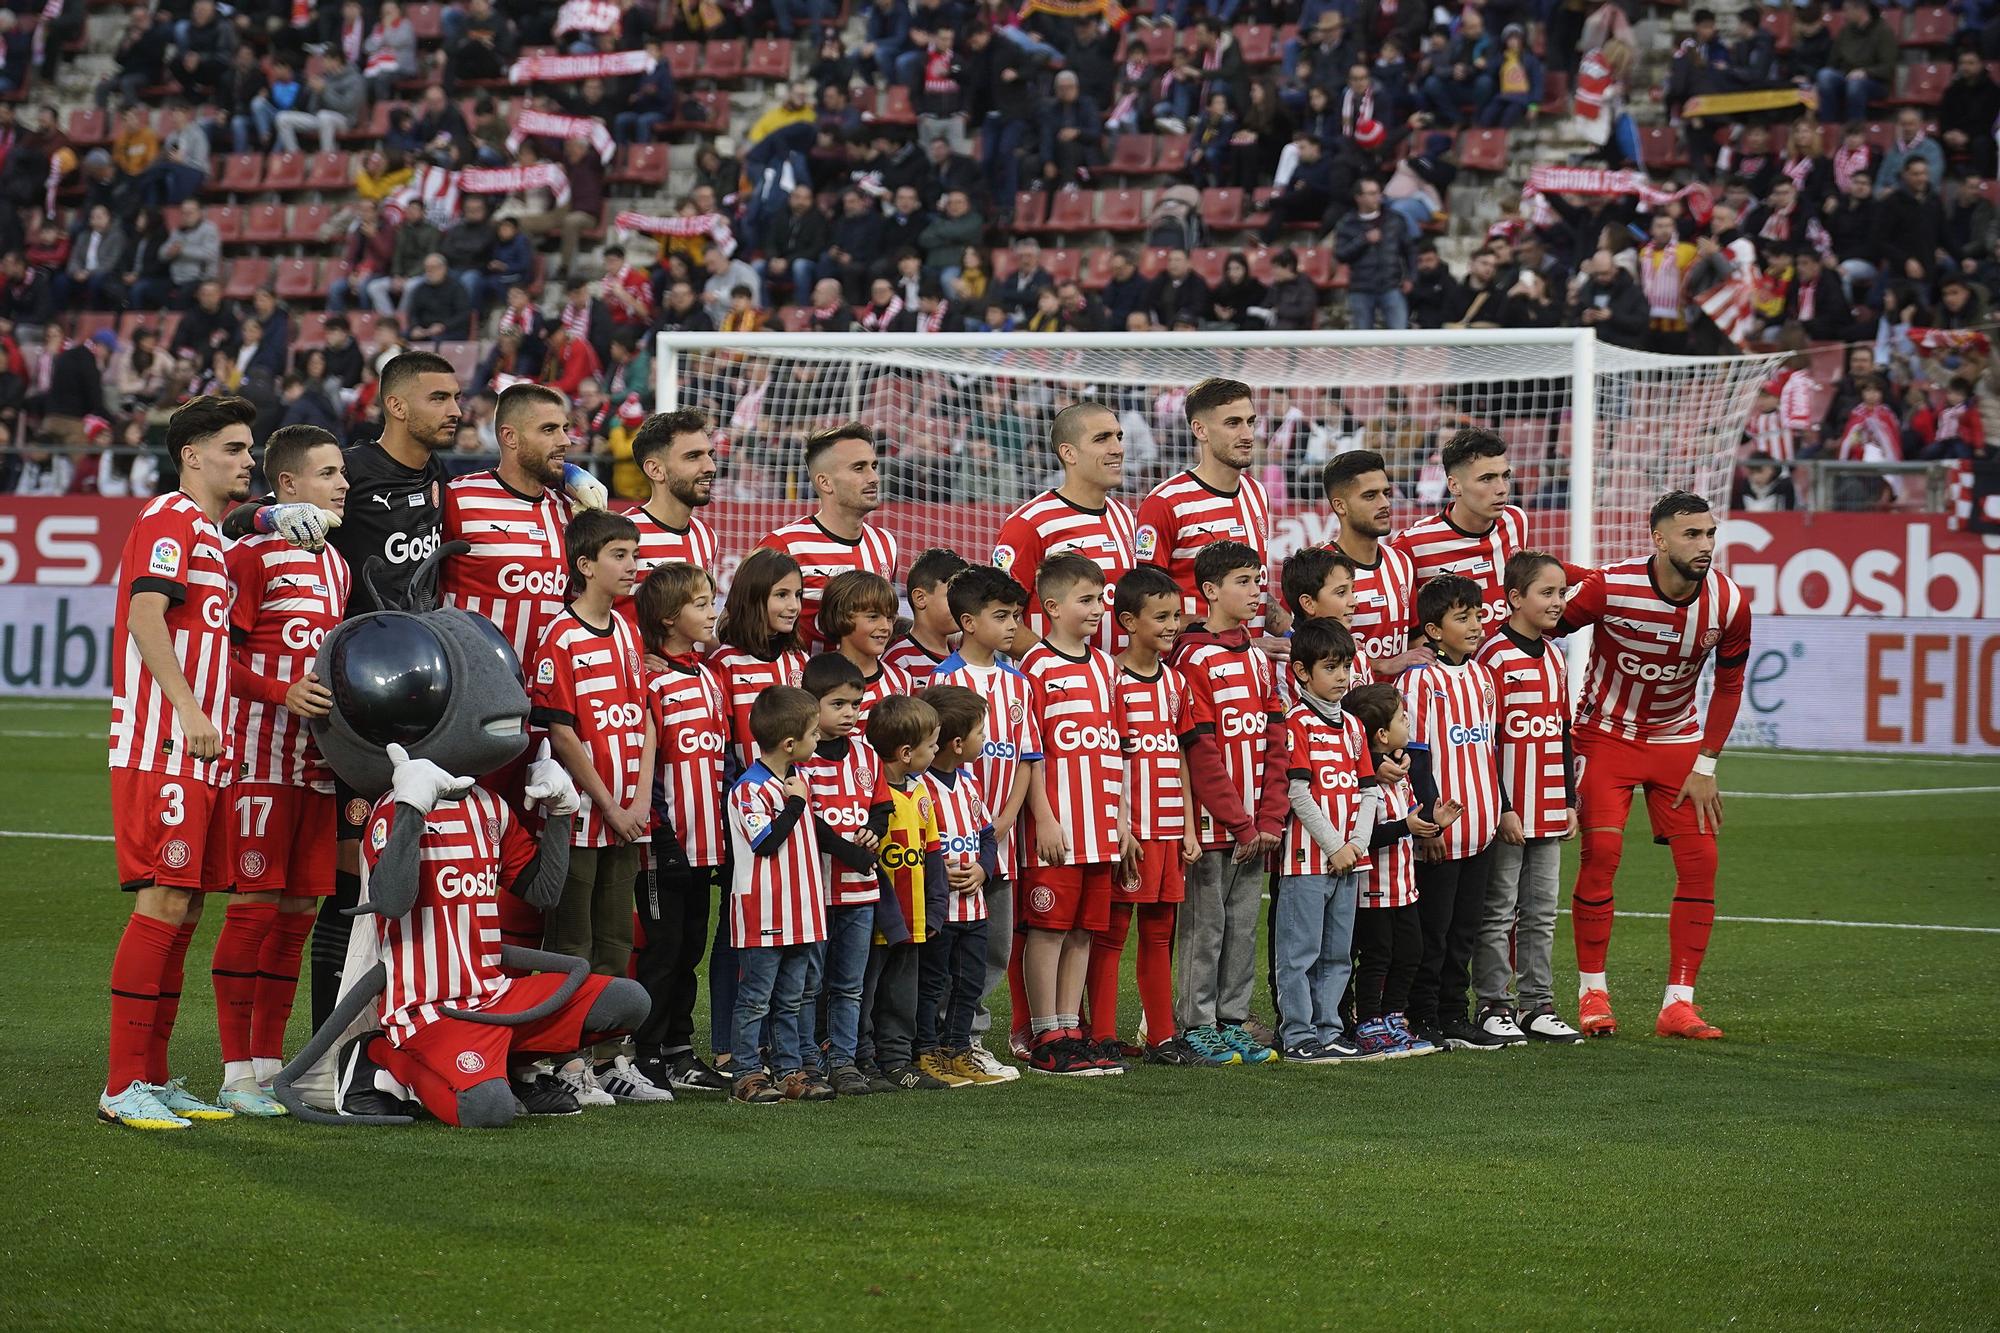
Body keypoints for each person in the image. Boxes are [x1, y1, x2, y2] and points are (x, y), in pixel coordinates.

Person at [99, 395, 257, 1131]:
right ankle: (121, 1082)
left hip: (200, 749)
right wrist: (190, 709)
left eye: (250, 448)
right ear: (193, 455)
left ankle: (154, 1077)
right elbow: (143, 614)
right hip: (165, 740)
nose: (248, 460)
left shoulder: (211, 536)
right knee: (163, 899)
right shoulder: (167, 518)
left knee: (187, 905)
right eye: (234, 447)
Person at [1560, 491, 1752, 1041]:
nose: (1705, 545)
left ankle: (1678, 1003)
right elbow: (1544, 628)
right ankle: (1592, 993)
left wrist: (1707, 763)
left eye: (1710, 533)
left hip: (1678, 744)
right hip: (1605, 738)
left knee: (1702, 864)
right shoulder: (1610, 587)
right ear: (1659, 539)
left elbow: (1731, 684)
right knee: (1602, 857)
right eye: (1692, 534)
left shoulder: (1730, 603)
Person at [206, 427, 350, 1118]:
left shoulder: (337, 566)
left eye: (342, 471)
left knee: (295, 920)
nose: (343, 483)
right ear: (287, 486)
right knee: (252, 913)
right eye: (328, 473)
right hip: (258, 761)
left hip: (315, 768)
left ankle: (268, 1065)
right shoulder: (249, 555)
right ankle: (235, 1072)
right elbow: (216, 661)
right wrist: (279, 693)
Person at [529, 508, 660, 1105]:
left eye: (633, 555)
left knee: (615, 942)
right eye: (620, 556)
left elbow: (645, 722)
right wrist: (607, 803)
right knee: (571, 944)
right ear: (584, 565)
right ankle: (564, 1059)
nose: (632, 566)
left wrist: (635, 801)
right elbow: (562, 733)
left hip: (626, 820)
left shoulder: (629, 633)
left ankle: (610, 1059)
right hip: (580, 819)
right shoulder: (560, 636)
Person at [1169, 540, 1289, 1066]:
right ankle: (1196, 1025)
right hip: (1214, 826)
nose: (1255, 590)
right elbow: (1199, 750)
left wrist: (1268, 818)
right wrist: (1240, 823)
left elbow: (1277, 740)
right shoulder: (1192, 657)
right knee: (1204, 926)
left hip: (1253, 827)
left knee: (1242, 927)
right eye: (1243, 581)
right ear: (1210, 590)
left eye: (1257, 579)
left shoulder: (1260, 659)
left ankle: (1232, 1019)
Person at [1015, 553, 1132, 1076]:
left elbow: (1116, 750)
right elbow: (1031, 750)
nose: (1097, 609)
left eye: (1101, 599)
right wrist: (1043, 816)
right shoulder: (1035, 667)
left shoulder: (1108, 667)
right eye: (1086, 600)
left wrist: (1124, 820)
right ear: (1052, 606)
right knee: (1048, 931)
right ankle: (1043, 1034)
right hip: (1059, 830)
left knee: (1084, 931)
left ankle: (1069, 1026)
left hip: (1102, 828)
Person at [1090, 566, 1202, 1065]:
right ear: (1129, 621)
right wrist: (1119, 824)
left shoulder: (1175, 682)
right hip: (1129, 831)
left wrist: (1191, 824)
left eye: (1177, 615)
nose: (1172, 625)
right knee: (1111, 935)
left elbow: (1178, 754)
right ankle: (1102, 1033)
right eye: (1161, 617)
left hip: (1169, 828)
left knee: (1160, 934)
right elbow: (1107, 758)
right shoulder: (1109, 679)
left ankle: (1160, 1035)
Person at [930, 567, 1038, 1079]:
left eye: (1017, 615)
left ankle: (969, 1036)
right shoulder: (943, 681)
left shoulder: (1018, 684)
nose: (1014, 625)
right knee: (946, 944)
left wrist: (1007, 819)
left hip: (999, 838)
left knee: (993, 944)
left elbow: (1026, 758)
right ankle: (939, 1038)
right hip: (952, 841)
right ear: (969, 622)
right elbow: (932, 765)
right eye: (1002, 616)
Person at [1471, 552, 1583, 1044]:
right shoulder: (1493, 656)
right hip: (1511, 812)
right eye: (1547, 593)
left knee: (1541, 912)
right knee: (1498, 911)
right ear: (1515, 598)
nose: (1558, 602)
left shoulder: (1556, 657)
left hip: (1550, 806)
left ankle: (1539, 1005)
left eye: (1561, 593)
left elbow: (1561, 733)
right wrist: (1502, 806)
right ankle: (1494, 1003)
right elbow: (1484, 738)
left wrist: (1571, 800)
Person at [630, 561, 732, 1096]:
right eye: (700, 603)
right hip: (663, 848)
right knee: (662, 952)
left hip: (706, 844)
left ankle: (677, 1050)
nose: (712, 610)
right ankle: (643, 1054)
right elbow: (643, 765)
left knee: (690, 947)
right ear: (670, 618)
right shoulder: (650, 680)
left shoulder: (709, 677)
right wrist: (660, 833)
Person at [1397, 573, 1507, 1053]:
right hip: (1442, 832)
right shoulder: (1419, 681)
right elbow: (1416, 755)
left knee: (1465, 931)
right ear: (1435, 630)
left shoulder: (1483, 676)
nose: (1476, 625)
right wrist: (1427, 821)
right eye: (1462, 618)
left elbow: (1488, 749)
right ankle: (1421, 1015)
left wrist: (1501, 807)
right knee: (1432, 932)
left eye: (1478, 615)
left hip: (1481, 827)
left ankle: (1453, 1014)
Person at [1272, 618, 1378, 1063]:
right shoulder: (1294, 723)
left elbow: (1368, 790)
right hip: (1306, 861)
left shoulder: (1354, 726)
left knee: (1337, 954)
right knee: (1300, 953)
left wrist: (1355, 844)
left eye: (1346, 667)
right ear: (1301, 672)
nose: (1341, 677)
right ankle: (1296, 1032)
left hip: (1349, 859)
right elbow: (1297, 792)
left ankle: (1329, 1028)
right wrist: (1334, 844)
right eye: (1331, 668)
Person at [794, 653, 896, 1096]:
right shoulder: (801, 757)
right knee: (809, 983)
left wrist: (874, 832)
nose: (850, 713)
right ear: (811, 705)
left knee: (850, 985)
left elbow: (882, 806)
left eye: (855, 704)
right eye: (838, 704)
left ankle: (844, 1061)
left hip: (860, 891)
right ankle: (806, 1061)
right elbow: (806, 822)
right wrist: (846, 852)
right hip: (814, 891)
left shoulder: (866, 754)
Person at [726, 686, 830, 1104]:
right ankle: (747, 1074)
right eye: (814, 733)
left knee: (791, 999)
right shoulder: (751, 789)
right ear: (790, 744)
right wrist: (794, 806)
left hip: (801, 914)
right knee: (755, 1000)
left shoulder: (794, 781)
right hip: (763, 914)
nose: (818, 739)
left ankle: (790, 1071)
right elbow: (765, 842)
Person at [1341, 683, 1452, 1059]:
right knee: (1378, 955)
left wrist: (1433, 822)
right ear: (1382, 734)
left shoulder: (1400, 770)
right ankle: (1368, 1020)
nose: (1410, 722)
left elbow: (1410, 820)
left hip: (1404, 886)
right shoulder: (1365, 780)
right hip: (1374, 889)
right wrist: (1407, 826)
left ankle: (1393, 1016)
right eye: (1403, 718)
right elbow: (1366, 835)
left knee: (1410, 951)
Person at [439, 383, 579, 663]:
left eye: (565, 428)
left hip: (547, 691)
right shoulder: (459, 498)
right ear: (510, 437)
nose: (565, 441)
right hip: (477, 690)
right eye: (549, 429)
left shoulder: (568, 510)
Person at [993, 401, 1138, 655]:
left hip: (1122, 686)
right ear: (1069, 453)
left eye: (1118, 436)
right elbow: (996, 615)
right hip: (1060, 690)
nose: (1117, 449)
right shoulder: (1030, 523)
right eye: (1102, 439)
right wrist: (1058, 667)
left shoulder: (1124, 516)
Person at [1136, 377, 1277, 637]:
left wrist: (1294, 633)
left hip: (1253, 668)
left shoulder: (1256, 493)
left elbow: (1261, 591)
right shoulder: (1166, 503)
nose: (1247, 435)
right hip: (1194, 668)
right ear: (1200, 430)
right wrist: (1231, 643)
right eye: (1232, 423)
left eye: (1250, 422)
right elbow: (1146, 608)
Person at [914, 684, 1004, 1086]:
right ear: (955, 742)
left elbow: (986, 833)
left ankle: (958, 1049)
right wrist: (936, 874)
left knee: (969, 983)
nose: (985, 739)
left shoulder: (968, 783)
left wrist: (985, 869)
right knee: (932, 983)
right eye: (980, 733)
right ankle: (925, 1050)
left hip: (974, 908)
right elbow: (911, 843)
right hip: (939, 911)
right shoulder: (920, 787)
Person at [863, 694, 950, 1091]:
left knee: (902, 997)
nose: (936, 751)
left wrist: (935, 910)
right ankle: (861, 1060)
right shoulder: (873, 798)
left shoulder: (920, 794)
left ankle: (897, 1062)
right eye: (932, 745)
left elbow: (932, 857)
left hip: (914, 923)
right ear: (905, 752)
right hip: (879, 922)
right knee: (863, 994)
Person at [758, 423, 902, 647]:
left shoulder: (884, 543)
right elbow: (741, 622)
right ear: (825, 482)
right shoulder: (784, 545)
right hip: (802, 679)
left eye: (874, 466)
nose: (873, 477)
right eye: (859, 468)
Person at [1394, 426, 1549, 626]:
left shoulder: (1515, 520)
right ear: (1454, 485)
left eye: (1505, 476)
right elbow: (1402, 624)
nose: (1502, 489)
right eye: (1487, 479)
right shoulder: (1414, 544)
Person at [1322, 450, 1432, 679]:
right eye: (1370, 496)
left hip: (1398, 708)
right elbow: (1304, 649)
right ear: (1340, 506)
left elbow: (1413, 639)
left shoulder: (1400, 562)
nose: (1385, 503)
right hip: (1344, 708)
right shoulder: (1318, 565)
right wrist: (1381, 665)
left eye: (1386, 493)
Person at [619, 409, 720, 631]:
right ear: (656, 470)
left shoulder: (706, 536)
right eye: (693, 456)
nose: (710, 467)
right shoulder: (621, 534)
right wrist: (635, 654)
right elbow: (590, 616)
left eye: (709, 455)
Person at [818, 569, 911, 727]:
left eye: (889, 618)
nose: (885, 627)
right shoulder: (816, 676)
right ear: (842, 617)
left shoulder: (902, 679)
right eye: (873, 617)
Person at [1334, 178, 1414, 331]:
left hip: (1391, 285)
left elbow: (1410, 250)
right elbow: (1340, 254)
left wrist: (1411, 277)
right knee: (1363, 342)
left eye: (1378, 193)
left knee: (1401, 338)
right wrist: (1363, 240)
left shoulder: (1395, 220)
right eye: (1371, 193)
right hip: (1361, 288)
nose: (1377, 197)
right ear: (1358, 198)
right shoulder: (1347, 223)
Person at [885, 547, 969, 683]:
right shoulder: (899, 660)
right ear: (920, 598)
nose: (961, 604)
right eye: (952, 595)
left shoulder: (965, 658)